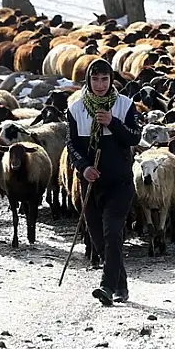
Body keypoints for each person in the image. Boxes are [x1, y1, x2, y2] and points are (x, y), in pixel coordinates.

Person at [65, 58, 142, 306]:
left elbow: (134, 137)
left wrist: (113, 123)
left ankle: (107, 286)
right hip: (90, 185)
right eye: (95, 79)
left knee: (112, 234)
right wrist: (84, 167)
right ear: (88, 80)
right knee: (98, 239)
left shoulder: (124, 106)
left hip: (119, 183)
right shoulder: (76, 109)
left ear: (111, 80)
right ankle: (121, 284)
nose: (100, 85)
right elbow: (72, 145)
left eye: (104, 79)